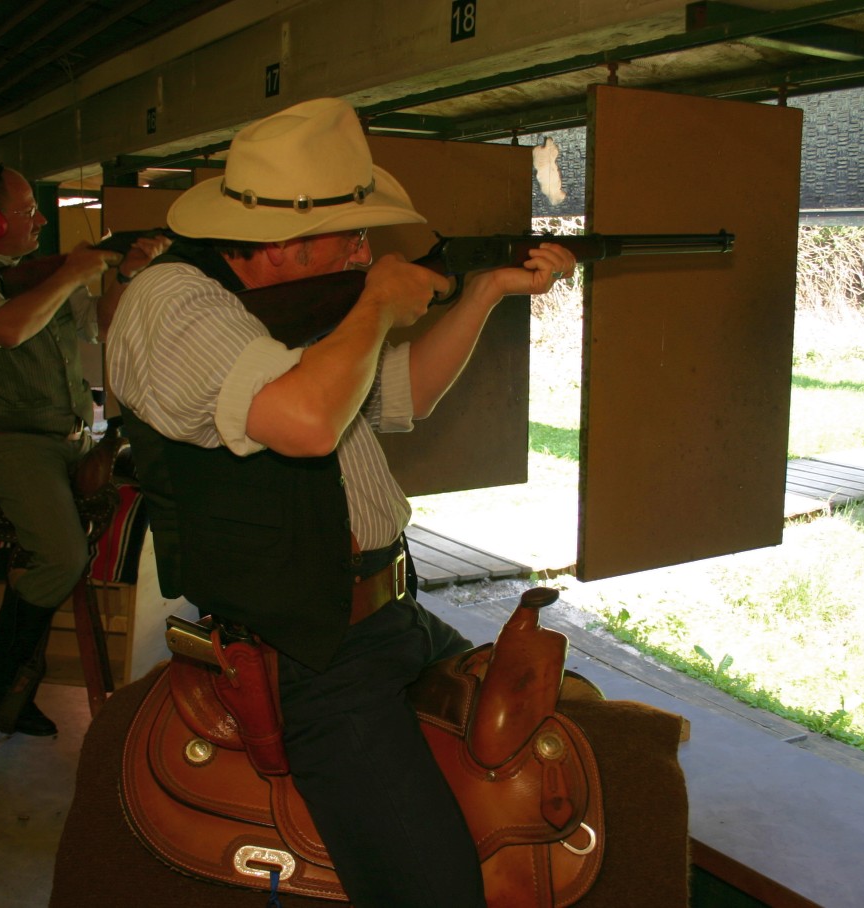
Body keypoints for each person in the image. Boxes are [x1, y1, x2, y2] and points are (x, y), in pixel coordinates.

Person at [105, 97, 575, 907]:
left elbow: (402, 393)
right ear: (281, 243)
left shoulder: (291, 306)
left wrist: (485, 291)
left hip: (388, 617)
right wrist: (376, 306)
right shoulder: (173, 300)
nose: (364, 253)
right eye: (350, 237)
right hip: (308, 652)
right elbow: (305, 421)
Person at [0, 164, 168, 737]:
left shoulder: (47, 272)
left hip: (73, 435)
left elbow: (100, 327)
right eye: (26, 211)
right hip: (8, 442)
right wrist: (72, 272)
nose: (39, 221)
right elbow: (6, 330)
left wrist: (124, 275)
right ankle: (0, 684)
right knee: (61, 555)